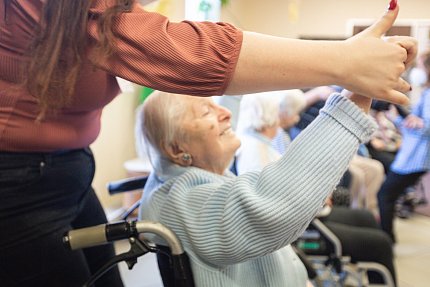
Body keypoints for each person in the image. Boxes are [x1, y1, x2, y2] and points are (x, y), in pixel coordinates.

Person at [0, 0, 416, 286]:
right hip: (23, 182)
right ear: (177, 150)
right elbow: (270, 210)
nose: (224, 113)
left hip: (66, 168)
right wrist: (352, 82)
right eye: (203, 112)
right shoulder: (186, 196)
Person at [235, 91, 396, 285]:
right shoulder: (255, 150)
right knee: (380, 243)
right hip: (302, 227)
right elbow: (273, 205)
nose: (292, 117)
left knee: (366, 217)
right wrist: (315, 195)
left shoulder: (267, 142)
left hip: (308, 213)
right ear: (272, 114)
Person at [377, 50, 430, 242]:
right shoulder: (426, 93)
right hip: (414, 155)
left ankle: (385, 240)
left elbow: (424, 127)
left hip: (415, 157)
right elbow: (415, 124)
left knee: (385, 195)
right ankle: (387, 237)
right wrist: (401, 118)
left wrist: (407, 120)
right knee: (387, 195)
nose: (418, 70)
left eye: (421, 66)